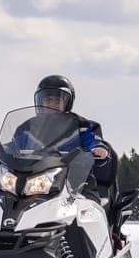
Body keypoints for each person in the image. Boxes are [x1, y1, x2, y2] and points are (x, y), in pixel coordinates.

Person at [31, 74, 117, 202]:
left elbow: (93, 140)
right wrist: (2, 150)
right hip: (33, 180)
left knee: (87, 205)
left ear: (67, 103)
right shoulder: (27, 128)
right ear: (40, 101)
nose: (52, 104)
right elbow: (14, 145)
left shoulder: (81, 125)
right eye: (48, 100)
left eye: (57, 100)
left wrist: (98, 148)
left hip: (76, 181)